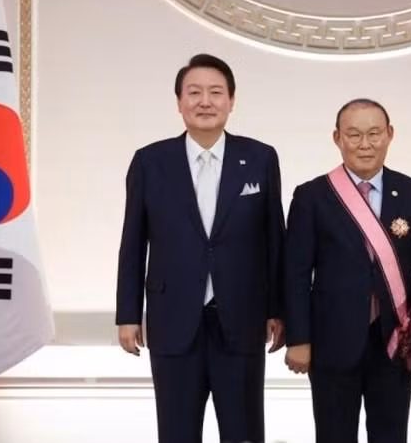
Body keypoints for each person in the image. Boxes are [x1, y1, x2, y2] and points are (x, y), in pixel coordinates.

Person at [115, 53, 286, 443]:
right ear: (179, 102)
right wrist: (127, 313)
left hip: (242, 320)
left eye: (215, 92)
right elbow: (133, 242)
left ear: (231, 100)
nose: (205, 102)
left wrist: (277, 309)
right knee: (176, 433)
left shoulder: (260, 158)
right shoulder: (150, 162)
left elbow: (275, 240)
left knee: (244, 433)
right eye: (194, 93)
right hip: (172, 319)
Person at [283, 98, 411, 443]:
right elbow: (295, 274)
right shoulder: (312, 196)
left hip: (396, 339)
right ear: (337, 138)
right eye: (354, 134)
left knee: (391, 435)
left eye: (374, 133)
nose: (365, 144)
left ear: (390, 134)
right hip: (331, 341)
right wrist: (298, 338)